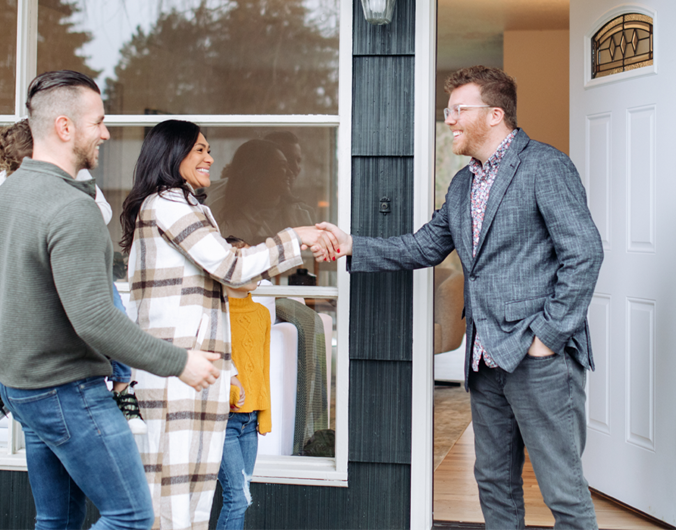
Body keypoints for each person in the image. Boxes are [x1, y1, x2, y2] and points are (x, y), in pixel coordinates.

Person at [314, 66, 604, 530]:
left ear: (494, 114)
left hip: (539, 361)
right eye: (447, 110)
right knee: (493, 482)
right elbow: (423, 246)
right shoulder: (463, 184)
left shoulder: (545, 166)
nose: (448, 119)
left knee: (562, 491)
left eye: (457, 109)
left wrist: (546, 337)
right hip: (484, 360)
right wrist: (353, 244)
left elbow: (584, 254)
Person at [0, 70, 221, 530]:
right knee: (131, 516)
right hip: (67, 390)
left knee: (56, 518)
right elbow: (95, 319)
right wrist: (180, 362)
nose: (106, 133)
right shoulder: (72, 208)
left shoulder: (1, 199)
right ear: (64, 127)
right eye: (99, 122)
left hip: (22, 389)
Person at [120, 119, 325, 530]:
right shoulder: (167, 205)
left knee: (190, 493)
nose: (211, 158)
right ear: (172, 154)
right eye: (200, 150)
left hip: (193, 370)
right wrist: (296, 236)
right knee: (174, 498)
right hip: (175, 369)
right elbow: (230, 266)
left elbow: (235, 276)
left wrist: (292, 247)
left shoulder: (189, 205)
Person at [0, 120, 147, 442]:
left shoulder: (75, 177)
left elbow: (102, 210)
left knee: (111, 306)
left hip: (70, 265)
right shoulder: (3, 185)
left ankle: (122, 386)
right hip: (27, 275)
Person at [215, 236, 271, 530]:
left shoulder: (261, 314)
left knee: (243, 497)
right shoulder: (214, 313)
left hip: (249, 422)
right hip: (223, 421)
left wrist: (265, 414)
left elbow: (263, 369)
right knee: (238, 497)